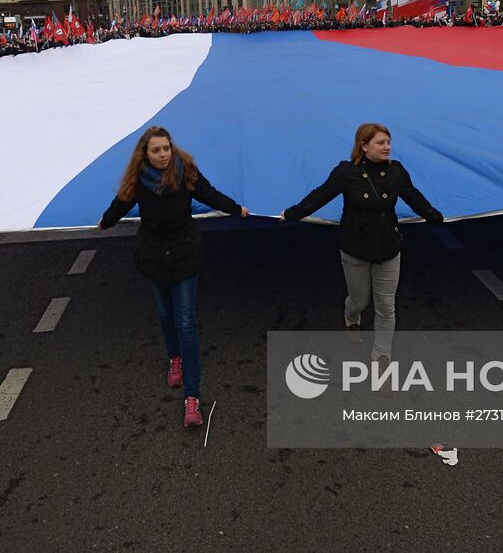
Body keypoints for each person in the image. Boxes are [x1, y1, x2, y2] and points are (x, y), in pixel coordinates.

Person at [98, 126, 248, 428]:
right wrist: (106, 221)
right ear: (146, 154)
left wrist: (236, 209)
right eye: (156, 150)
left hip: (183, 256)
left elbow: (209, 194)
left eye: (166, 148)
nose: (163, 154)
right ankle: (174, 358)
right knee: (165, 315)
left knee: (185, 321)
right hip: (153, 256)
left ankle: (192, 397)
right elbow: (122, 203)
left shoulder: (185, 172)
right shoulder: (138, 180)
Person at [282, 123, 444, 368]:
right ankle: (351, 314)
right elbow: (321, 194)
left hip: (388, 247)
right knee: (360, 300)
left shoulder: (397, 171)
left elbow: (413, 196)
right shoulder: (347, 172)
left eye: (389, 142)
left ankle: (381, 355)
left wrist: (433, 215)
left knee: (386, 306)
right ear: (364, 146)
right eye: (381, 143)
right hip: (355, 247)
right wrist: (293, 213)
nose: (387, 147)